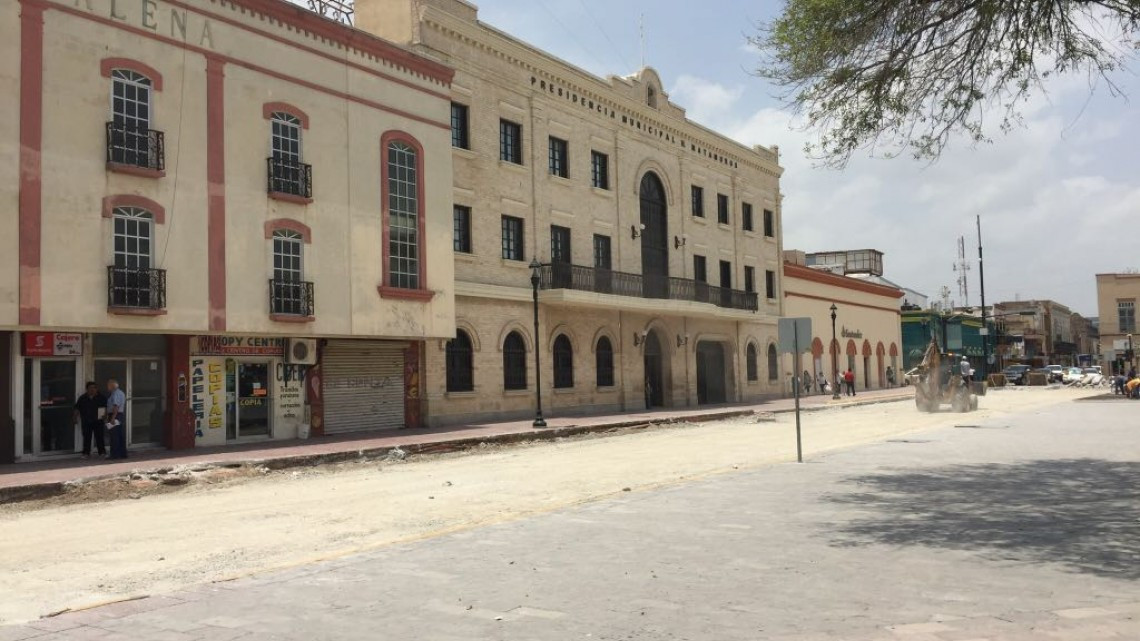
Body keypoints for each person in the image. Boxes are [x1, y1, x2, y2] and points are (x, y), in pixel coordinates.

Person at [72, 382, 107, 459]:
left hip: (98, 421)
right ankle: (86, 453)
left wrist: (105, 417)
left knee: (99, 437)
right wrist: (75, 417)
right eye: (90, 388)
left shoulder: (101, 397)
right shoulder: (82, 398)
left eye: (94, 387)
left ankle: (102, 452)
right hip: (86, 420)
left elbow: (105, 407)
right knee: (87, 437)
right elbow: (77, 408)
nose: (92, 389)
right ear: (87, 389)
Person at [106, 379, 128, 460]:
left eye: (108, 385)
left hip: (115, 415)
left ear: (112, 385)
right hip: (118, 415)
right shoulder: (119, 393)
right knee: (119, 434)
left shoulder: (116, 393)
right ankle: (122, 453)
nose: (107, 387)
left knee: (114, 435)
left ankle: (115, 454)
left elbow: (116, 406)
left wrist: (113, 418)